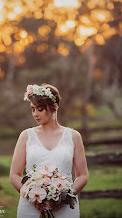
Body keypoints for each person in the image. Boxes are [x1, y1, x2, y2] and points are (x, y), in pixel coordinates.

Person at [10, 83, 89, 218]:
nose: (35, 114)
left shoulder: (73, 136)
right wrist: (32, 197)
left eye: (40, 109)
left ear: (54, 107)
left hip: (65, 209)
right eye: (33, 109)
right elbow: (14, 175)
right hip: (30, 208)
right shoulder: (26, 136)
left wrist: (63, 197)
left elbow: (82, 175)